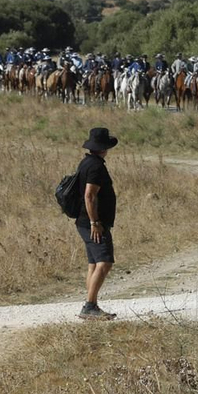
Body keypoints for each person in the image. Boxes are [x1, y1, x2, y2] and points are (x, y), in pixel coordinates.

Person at [76, 127, 119, 320]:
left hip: (85, 221)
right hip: (93, 223)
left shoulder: (87, 162)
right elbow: (90, 195)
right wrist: (95, 222)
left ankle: (91, 304)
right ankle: (90, 306)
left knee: (93, 264)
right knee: (105, 262)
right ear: (104, 147)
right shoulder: (96, 167)